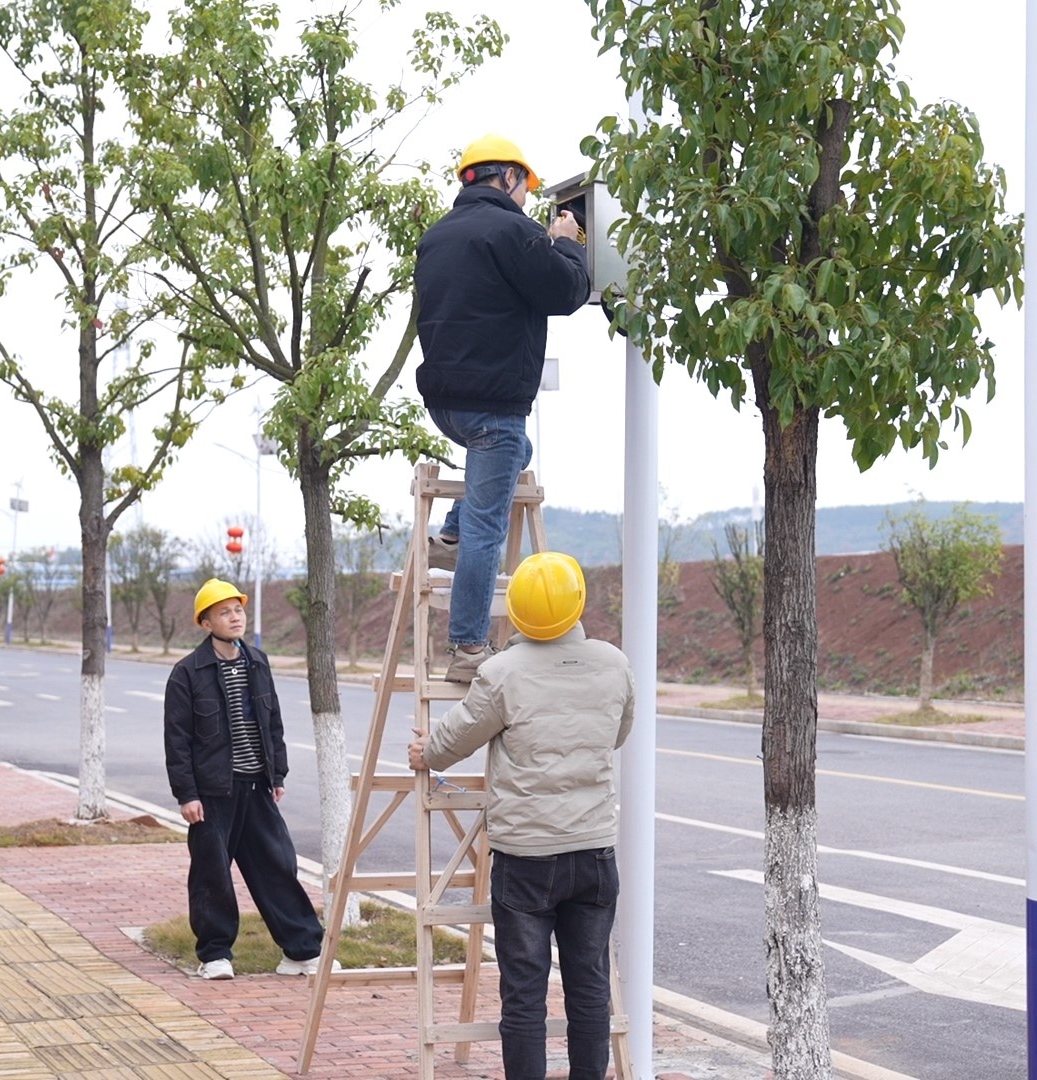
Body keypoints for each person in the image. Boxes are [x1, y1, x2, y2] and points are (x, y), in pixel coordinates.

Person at [407, 553, 633, 1080]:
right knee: (590, 986)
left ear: (515, 611)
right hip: (594, 851)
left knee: (525, 993)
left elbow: (457, 737)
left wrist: (426, 752)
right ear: (579, 602)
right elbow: (617, 734)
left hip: (526, 857)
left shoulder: (502, 672)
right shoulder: (614, 663)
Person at [414, 132, 592, 682]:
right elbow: (566, 293)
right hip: (493, 406)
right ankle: (467, 647)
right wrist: (565, 243)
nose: (526, 197)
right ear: (509, 177)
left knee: (518, 450)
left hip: (446, 404)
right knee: (488, 529)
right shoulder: (516, 232)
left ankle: (450, 536)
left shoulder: (437, 236)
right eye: (525, 186)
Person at [164, 578, 327, 980]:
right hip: (212, 793)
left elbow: (272, 722)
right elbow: (177, 740)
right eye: (224, 612)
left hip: (256, 786)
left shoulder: (257, 662)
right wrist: (187, 794)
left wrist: (277, 773)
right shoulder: (187, 673)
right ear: (206, 623)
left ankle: (302, 952)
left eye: (238, 609)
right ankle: (215, 955)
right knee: (212, 874)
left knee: (278, 866)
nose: (235, 617)